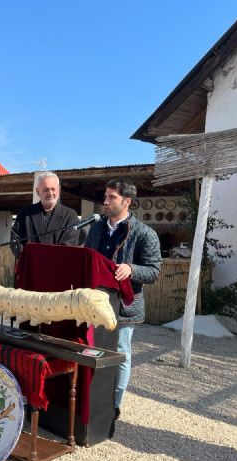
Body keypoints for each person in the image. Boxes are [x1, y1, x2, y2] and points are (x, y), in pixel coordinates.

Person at [84, 179, 161, 437]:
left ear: (126, 201)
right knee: (92, 350)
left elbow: (153, 271)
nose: (105, 202)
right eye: (105, 197)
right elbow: (87, 258)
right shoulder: (95, 229)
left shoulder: (145, 233)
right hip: (95, 302)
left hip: (125, 305)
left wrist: (132, 269)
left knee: (119, 353)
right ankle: (92, 401)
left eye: (111, 197)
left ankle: (113, 406)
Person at [10, 171, 79, 258]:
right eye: (46, 190)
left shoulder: (70, 216)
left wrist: (46, 260)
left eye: (53, 189)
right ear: (38, 191)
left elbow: (69, 246)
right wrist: (29, 258)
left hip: (57, 269)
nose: (50, 193)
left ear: (59, 190)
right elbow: (15, 240)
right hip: (29, 267)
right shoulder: (25, 214)